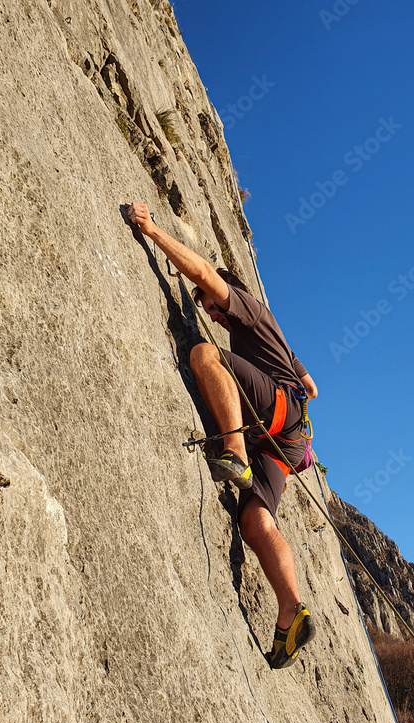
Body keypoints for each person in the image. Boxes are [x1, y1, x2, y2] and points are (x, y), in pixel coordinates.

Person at [126, 202, 318, 669]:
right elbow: (312, 386)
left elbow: (209, 276)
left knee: (204, 356)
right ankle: (291, 609)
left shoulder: (249, 311)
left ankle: (233, 451)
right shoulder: (271, 338)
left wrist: (152, 230)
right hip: (283, 445)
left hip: (272, 421)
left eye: (210, 305)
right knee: (256, 521)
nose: (210, 312)